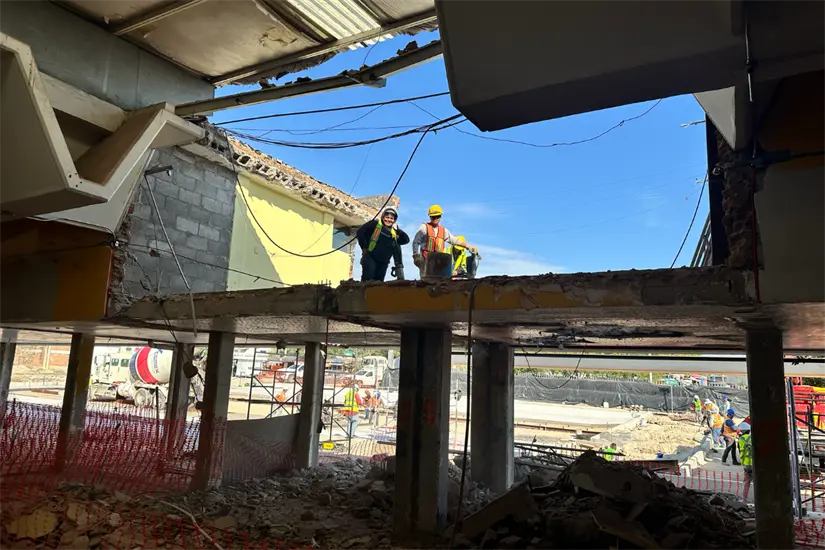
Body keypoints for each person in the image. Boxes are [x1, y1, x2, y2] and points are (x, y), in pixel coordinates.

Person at [412, 205, 478, 278]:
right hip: (426, 261)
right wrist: (416, 256)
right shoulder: (424, 228)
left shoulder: (443, 231)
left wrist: (467, 246)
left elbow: (454, 240)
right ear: (430, 217)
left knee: (439, 283)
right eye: (433, 217)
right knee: (426, 282)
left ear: (440, 217)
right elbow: (415, 242)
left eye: (438, 216)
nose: (436, 218)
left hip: (439, 262)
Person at [356, 207, 410, 282]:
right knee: (367, 281)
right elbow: (360, 232)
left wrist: (398, 230)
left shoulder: (393, 232)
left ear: (394, 220)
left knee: (378, 284)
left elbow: (406, 240)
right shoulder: (375, 224)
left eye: (391, 218)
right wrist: (364, 247)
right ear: (383, 217)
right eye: (387, 217)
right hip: (370, 258)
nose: (389, 220)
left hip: (383, 262)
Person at [738, 426, 753, 501]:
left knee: (747, 483)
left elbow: (741, 452)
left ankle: (744, 500)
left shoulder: (740, 440)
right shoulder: (752, 438)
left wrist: (742, 463)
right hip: (755, 464)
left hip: (747, 464)